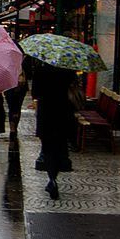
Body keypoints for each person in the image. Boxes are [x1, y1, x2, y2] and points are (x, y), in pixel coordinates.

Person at [31, 61, 77, 200]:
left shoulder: (41, 70)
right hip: (63, 112)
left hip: (46, 113)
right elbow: (73, 87)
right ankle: (54, 177)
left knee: (48, 147)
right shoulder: (68, 69)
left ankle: (52, 179)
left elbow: (35, 93)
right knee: (59, 145)